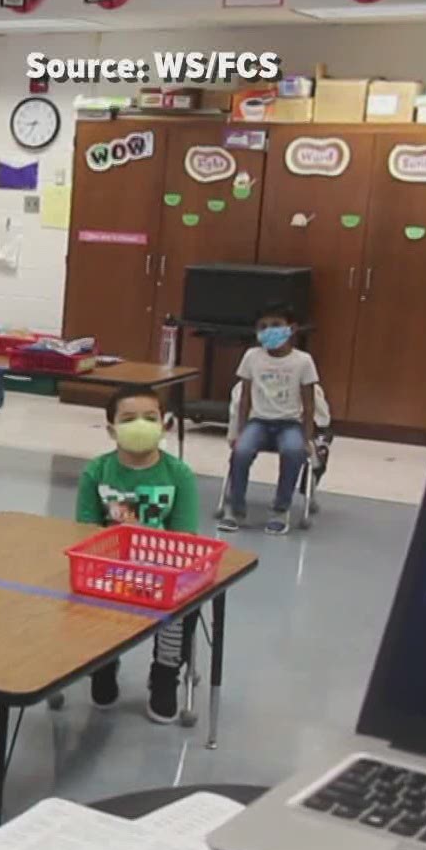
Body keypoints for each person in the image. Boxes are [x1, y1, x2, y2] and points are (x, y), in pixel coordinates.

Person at [77, 386, 202, 722]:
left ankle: (165, 675)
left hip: (163, 570)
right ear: (111, 429)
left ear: (165, 425)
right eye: (129, 419)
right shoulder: (96, 471)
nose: (141, 425)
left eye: (150, 418)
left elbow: (185, 536)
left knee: (184, 602)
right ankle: (102, 664)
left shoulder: (179, 474)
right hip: (108, 569)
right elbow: (84, 531)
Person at [222, 304, 319, 535]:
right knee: (242, 452)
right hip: (259, 422)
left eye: (275, 325)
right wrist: (239, 431)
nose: (268, 331)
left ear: (292, 328)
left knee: (294, 452)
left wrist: (307, 438)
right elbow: (244, 398)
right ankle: (236, 510)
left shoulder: (303, 361)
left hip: (290, 424)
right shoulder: (252, 356)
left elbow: (309, 403)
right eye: (262, 327)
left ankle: (280, 509)